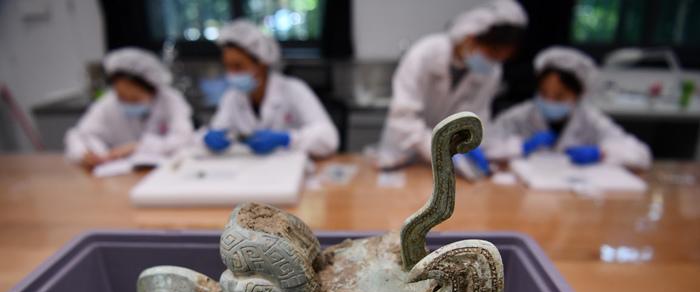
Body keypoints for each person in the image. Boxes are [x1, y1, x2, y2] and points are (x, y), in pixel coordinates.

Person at [372, 0, 528, 175]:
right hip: (404, 154)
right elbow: (403, 118)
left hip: (449, 163)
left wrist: (472, 145)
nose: (493, 62)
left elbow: (477, 119)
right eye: (492, 53)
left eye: (500, 58)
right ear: (470, 39)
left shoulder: (491, 72)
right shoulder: (425, 54)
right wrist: (444, 151)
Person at [487, 46, 651, 169]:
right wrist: (521, 147)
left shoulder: (590, 119)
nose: (549, 101)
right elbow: (487, 146)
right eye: (543, 93)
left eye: (559, 96)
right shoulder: (519, 116)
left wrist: (601, 153)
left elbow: (640, 155)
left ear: (579, 95)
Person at [204, 20, 339, 158]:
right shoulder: (232, 97)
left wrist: (287, 139)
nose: (231, 73)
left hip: (291, 167)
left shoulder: (293, 90)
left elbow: (328, 138)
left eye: (238, 66)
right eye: (227, 66)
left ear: (262, 63)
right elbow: (217, 130)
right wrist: (209, 138)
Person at [65, 48, 194, 169]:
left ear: (152, 89)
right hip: (117, 175)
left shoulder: (170, 101)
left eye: (134, 98)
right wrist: (86, 153)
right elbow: (79, 135)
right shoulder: (108, 103)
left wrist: (137, 147)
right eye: (121, 97)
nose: (126, 103)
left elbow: (185, 139)